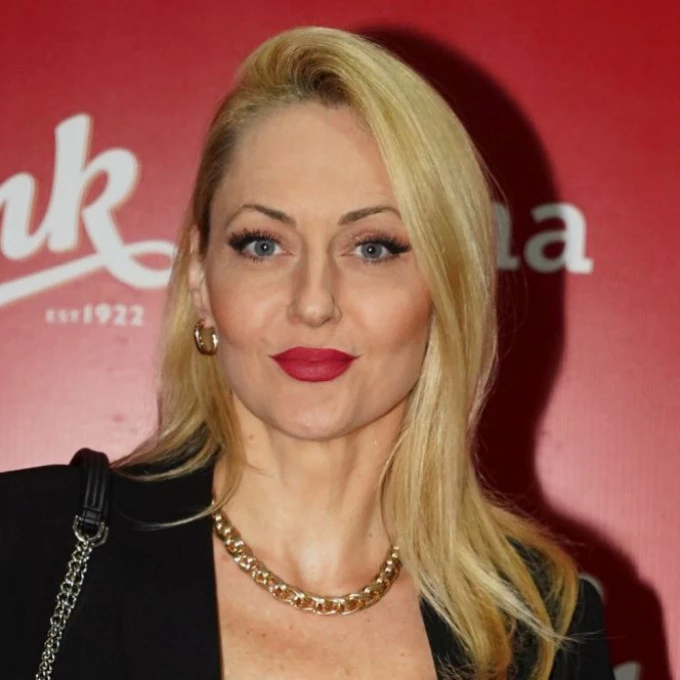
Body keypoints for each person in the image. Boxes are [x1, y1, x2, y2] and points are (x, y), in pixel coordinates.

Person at [0, 26, 615, 680]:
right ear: (201, 282)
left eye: (373, 247)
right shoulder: (26, 548)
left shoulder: (542, 629)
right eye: (263, 245)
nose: (314, 302)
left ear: (446, 287)